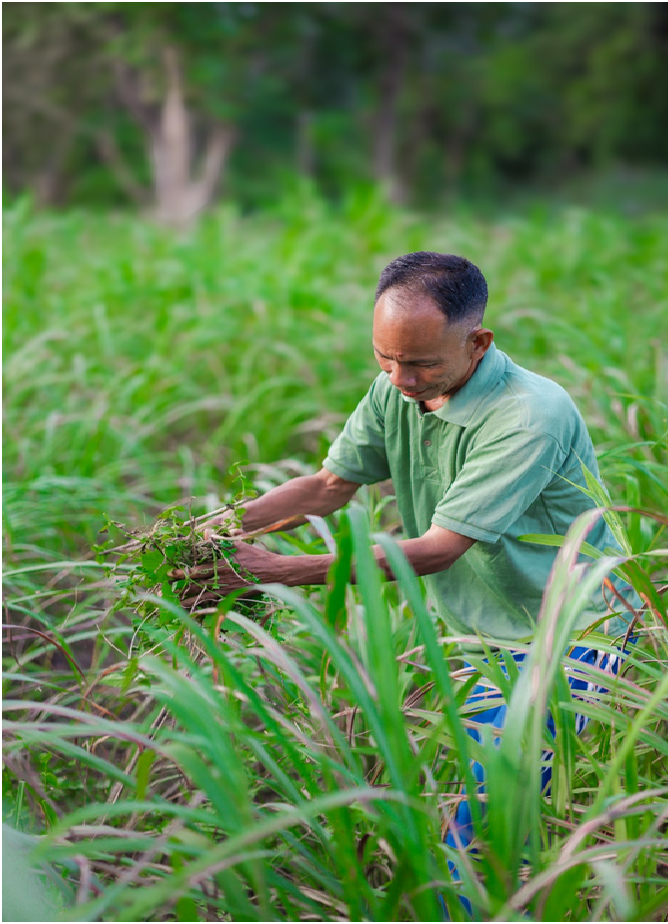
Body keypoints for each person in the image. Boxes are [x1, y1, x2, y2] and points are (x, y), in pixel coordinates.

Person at [188, 251, 633, 904]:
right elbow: (326, 487)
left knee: (482, 829)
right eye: (384, 358)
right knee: (484, 809)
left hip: (571, 631)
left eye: (421, 362)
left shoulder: (527, 416)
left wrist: (274, 571)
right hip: (483, 631)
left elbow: (436, 549)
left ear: (477, 341)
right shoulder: (397, 390)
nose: (400, 378)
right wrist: (210, 533)